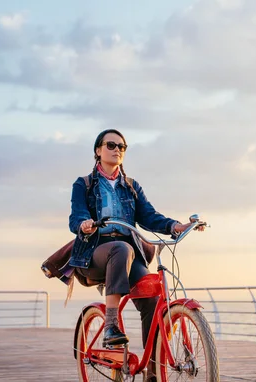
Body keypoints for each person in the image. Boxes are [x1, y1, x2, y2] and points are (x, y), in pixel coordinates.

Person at [68, 129, 197, 380]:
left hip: (127, 255)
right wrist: (84, 223)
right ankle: (111, 324)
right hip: (95, 252)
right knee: (120, 248)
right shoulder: (84, 184)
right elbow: (77, 215)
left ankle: (152, 370)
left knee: (151, 301)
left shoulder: (131, 186)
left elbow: (149, 216)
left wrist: (174, 226)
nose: (117, 149)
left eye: (122, 147)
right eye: (111, 145)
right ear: (98, 151)